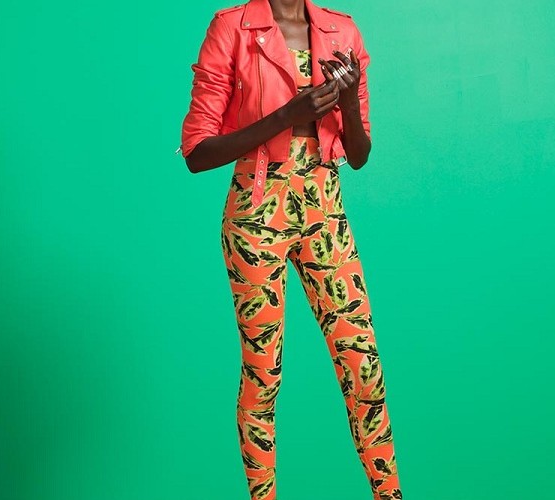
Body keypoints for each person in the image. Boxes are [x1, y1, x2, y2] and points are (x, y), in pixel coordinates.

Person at [178, 1, 403, 498]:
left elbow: (359, 155)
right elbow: (197, 152)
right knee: (264, 372)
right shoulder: (232, 27)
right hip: (257, 214)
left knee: (362, 364)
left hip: (325, 209)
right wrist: (287, 116)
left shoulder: (342, 30)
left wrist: (347, 102)